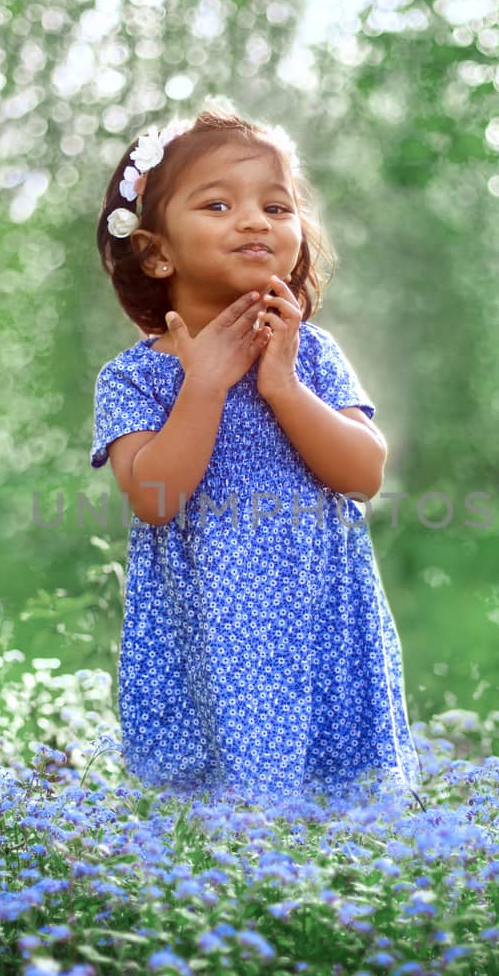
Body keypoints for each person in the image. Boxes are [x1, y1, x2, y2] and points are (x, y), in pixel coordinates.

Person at [88, 108, 423, 804]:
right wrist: (204, 384)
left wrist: (283, 385)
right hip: (209, 632)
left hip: (321, 620)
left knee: (340, 811)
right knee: (215, 819)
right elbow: (154, 495)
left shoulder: (311, 355)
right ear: (155, 252)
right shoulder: (136, 378)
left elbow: (363, 473)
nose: (255, 221)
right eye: (218, 203)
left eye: (277, 205)